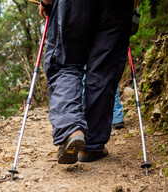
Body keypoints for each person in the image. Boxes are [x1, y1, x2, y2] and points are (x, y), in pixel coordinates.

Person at [39, 0, 135, 163]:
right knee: (104, 70)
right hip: (118, 7)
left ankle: (72, 128)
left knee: (65, 64)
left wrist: (46, 2)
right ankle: (91, 146)